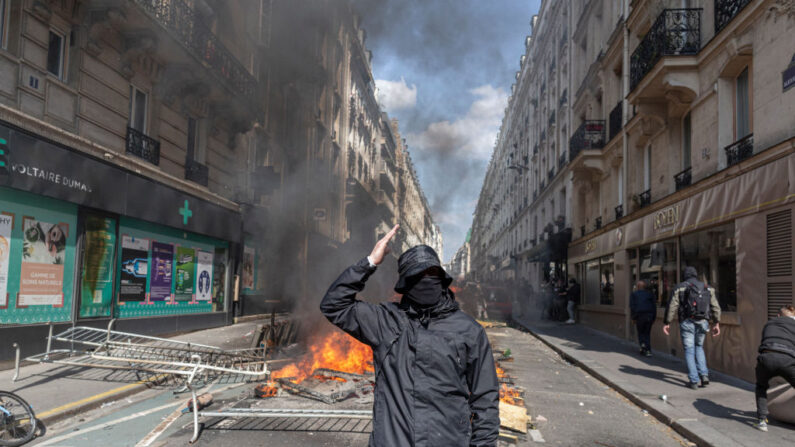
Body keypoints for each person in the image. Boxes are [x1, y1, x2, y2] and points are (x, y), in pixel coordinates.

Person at [320, 225, 499, 446]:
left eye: (431, 273)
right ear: (406, 283)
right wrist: (369, 263)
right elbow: (333, 305)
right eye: (417, 275)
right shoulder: (385, 321)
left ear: (441, 279)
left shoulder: (469, 330)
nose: (426, 280)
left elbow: (486, 400)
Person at [663, 266, 721, 389]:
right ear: (696, 275)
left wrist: (667, 322)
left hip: (687, 321)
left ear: (685, 275)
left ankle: (694, 380)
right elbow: (715, 307)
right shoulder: (708, 288)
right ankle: (704, 375)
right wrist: (716, 323)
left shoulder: (680, 287)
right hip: (703, 321)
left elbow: (672, 306)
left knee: (689, 350)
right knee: (699, 347)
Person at [753, 304, 795, 432]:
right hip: (787, 359)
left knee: (761, 387)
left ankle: (761, 420)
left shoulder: (769, 323)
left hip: (766, 357)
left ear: (778, 315)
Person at [630, 280, 657, 356]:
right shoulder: (650, 294)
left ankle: (642, 345)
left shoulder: (634, 294)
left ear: (638, 287)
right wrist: (654, 317)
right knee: (647, 333)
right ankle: (648, 350)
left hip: (639, 316)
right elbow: (654, 307)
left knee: (641, 332)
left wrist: (633, 318)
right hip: (649, 316)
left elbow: (632, 307)